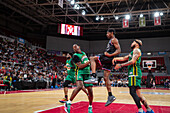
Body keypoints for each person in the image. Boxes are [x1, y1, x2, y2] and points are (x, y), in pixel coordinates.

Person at [113, 39, 154, 113]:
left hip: (134, 73)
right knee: (139, 95)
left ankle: (140, 110)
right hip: (134, 74)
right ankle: (149, 110)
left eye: (133, 42)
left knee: (132, 92)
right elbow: (124, 58)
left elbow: (132, 61)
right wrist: (115, 58)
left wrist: (120, 65)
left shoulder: (136, 50)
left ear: (137, 44)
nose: (131, 43)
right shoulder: (133, 52)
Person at [85, 28, 121, 106]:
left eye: (107, 33)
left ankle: (93, 76)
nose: (106, 34)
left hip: (108, 58)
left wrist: (109, 55)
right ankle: (110, 95)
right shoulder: (111, 41)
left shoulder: (114, 40)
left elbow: (119, 51)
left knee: (92, 58)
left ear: (111, 33)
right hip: (109, 60)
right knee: (105, 77)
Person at [65, 44, 93, 113]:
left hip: (87, 73)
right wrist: (90, 61)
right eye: (73, 47)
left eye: (75, 46)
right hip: (80, 72)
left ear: (79, 47)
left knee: (90, 91)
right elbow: (80, 66)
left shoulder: (83, 53)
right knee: (80, 86)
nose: (74, 48)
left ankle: (90, 106)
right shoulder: (75, 56)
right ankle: (69, 102)